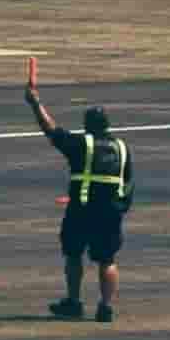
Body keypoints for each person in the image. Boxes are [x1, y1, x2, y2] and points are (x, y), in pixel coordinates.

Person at [27, 75, 129, 322]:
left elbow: (51, 130)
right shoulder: (121, 148)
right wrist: (120, 209)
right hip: (110, 214)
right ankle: (105, 308)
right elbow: (128, 183)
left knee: (73, 255)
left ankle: (73, 302)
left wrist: (35, 104)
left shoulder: (82, 144)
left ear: (88, 126)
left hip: (81, 212)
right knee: (107, 260)